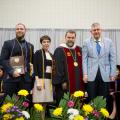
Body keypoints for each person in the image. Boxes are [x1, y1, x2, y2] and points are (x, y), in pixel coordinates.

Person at [82, 23, 116, 102]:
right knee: (91, 98)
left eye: (98, 29)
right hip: (91, 75)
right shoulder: (86, 42)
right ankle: (91, 114)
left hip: (105, 74)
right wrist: (85, 74)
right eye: (94, 30)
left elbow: (113, 58)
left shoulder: (109, 42)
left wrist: (112, 73)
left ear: (101, 30)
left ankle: (103, 114)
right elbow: (84, 59)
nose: (96, 31)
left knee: (104, 98)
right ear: (91, 31)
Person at [0, 23, 34, 97]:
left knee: (24, 104)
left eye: (21, 29)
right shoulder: (8, 43)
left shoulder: (30, 46)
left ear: (25, 31)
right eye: (17, 29)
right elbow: (3, 60)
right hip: (11, 79)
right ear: (15, 31)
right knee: (9, 104)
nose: (19, 30)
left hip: (25, 80)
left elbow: (30, 61)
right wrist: (12, 71)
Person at [53, 30, 84, 105]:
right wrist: (62, 81)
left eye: (72, 37)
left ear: (75, 38)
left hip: (78, 82)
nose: (70, 39)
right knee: (64, 103)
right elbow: (58, 67)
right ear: (65, 38)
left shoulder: (79, 49)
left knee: (78, 102)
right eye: (68, 37)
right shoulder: (60, 50)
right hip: (65, 83)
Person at [32, 35, 54, 119]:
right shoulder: (38, 53)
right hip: (40, 79)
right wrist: (37, 81)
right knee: (38, 101)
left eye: (48, 42)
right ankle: (37, 118)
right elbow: (35, 67)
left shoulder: (51, 55)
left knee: (45, 101)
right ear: (41, 43)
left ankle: (42, 118)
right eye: (44, 42)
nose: (46, 43)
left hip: (49, 81)